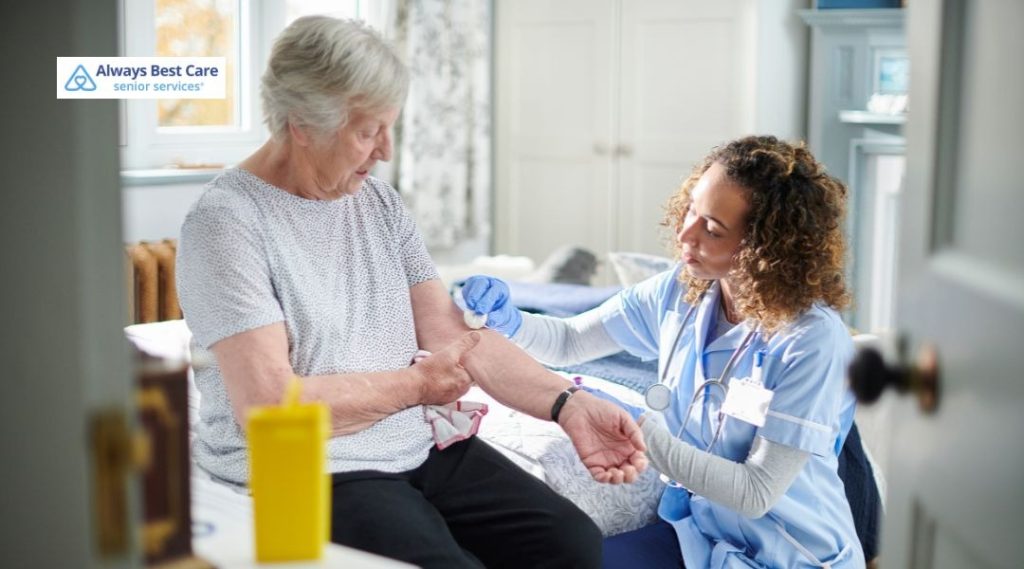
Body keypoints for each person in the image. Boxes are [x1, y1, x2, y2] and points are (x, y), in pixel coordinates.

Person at [176, 16, 646, 569]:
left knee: (570, 543)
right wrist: (415, 386)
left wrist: (566, 403)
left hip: (412, 446)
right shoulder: (226, 223)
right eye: (368, 131)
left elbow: (452, 335)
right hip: (301, 466)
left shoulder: (378, 203)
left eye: (390, 128)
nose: (386, 151)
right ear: (302, 122)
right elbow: (270, 406)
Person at [462, 135, 866, 568]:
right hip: (703, 537)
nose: (684, 233)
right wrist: (510, 320)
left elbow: (756, 493)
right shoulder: (680, 290)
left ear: (765, 249)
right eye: (691, 208)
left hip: (791, 553)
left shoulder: (811, 341)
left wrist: (636, 427)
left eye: (711, 229)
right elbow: (569, 340)